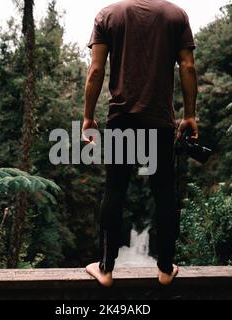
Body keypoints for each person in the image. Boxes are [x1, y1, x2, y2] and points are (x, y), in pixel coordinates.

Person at [82, 0, 198, 287]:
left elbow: (96, 71)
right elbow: (188, 66)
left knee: (115, 189)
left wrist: (87, 117)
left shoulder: (108, 16)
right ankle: (165, 269)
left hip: (122, 118)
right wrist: (190, 115)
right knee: (164, 191)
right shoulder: (176, 15)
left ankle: (106, 270)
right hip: (160, 121)